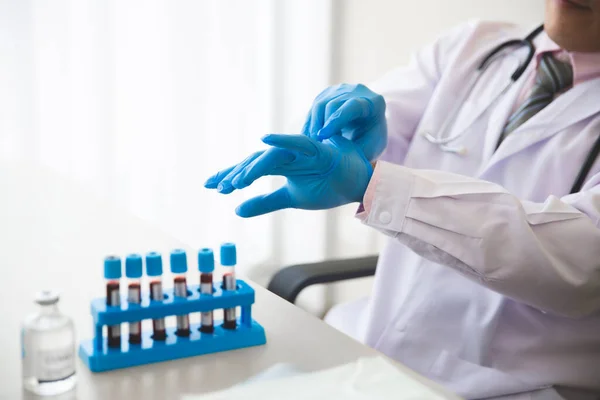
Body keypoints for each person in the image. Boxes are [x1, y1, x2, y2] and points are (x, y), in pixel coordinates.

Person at [206, 1, 600, 398]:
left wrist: (374, 185)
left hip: (509, 388)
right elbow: (338, 142)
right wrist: (338, 139)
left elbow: (579, 263)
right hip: (369, 351)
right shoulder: (473, 47)